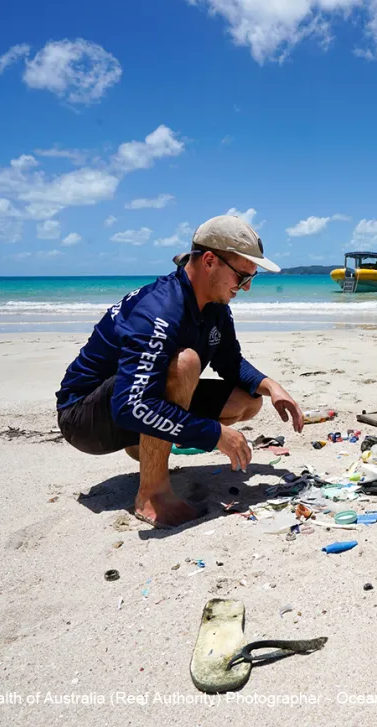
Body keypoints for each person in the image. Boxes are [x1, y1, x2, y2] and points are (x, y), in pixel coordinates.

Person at [55, 215, 304, 528]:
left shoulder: (215, 306)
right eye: (242, 277)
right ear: (210, 261)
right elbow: (131, 405)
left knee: (247, 401)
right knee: (185, 363)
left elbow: (229, 362)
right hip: (84, 417)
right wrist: (214, 435)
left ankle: (144, 445)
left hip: (133, 402)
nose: (247, 287)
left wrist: (271, 386)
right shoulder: (160, 310)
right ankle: (152, 496)